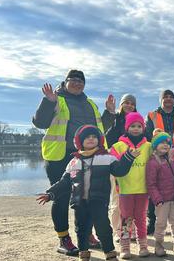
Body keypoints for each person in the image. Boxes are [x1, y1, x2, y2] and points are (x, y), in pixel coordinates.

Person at [32, 69, 115, 256]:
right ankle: (64, 238)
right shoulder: (57, 99)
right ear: (65, 81)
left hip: (87, 156)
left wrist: (109, 113)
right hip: (60, 156)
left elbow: (99, 129)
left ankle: (87, 236)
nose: (77, 83)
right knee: (61, 196)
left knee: (89, 196)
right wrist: (48, 101)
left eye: (81, 80)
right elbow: (40, 122)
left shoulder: (90, 104)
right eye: (73, 80)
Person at [36, 125, 138, 261]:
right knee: (81, 230)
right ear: (80, 142)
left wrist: (128, 157)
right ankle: (83, 253)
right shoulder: (74, 162)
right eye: (87, 137)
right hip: (79, 203)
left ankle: (110, 253)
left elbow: (120, 171)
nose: (91, 139)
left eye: (94, 137)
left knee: (103, 229)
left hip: (99, 201)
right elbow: (65, 182)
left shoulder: (106, 158)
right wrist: (50, 194)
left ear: (99, 140)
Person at [145, 90, 174, 233]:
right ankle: (152, 221)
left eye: (171, 97)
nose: (168, 99)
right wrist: (160, 149)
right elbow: (148, 135)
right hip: (157, 158)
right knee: (155, 188)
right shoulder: (152, 115)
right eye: (165, 97)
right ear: (160, 100)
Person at [110, 112, 152, 259]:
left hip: (143, 189)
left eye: (139, 126)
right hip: (125, 189)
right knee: (125, 218)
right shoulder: (118, 146)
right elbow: (113, 166)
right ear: (127, 128)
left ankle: (143, 246)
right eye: (132, 126)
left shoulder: (149, 146)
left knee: (141, 218)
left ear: (143, 128)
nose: (136, 129)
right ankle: (125, 247)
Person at [147, 132, 174, 256]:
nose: (165, 145)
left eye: (167, 143)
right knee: (160, 224)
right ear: (155, 145)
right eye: (162, 142)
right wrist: (157, 199)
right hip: (162, 201)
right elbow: (151, 184)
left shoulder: (172, 160)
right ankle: (158, 245)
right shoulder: (153, 162)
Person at [104, 93, 138, 242]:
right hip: (116, 165)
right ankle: (118, 231)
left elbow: (144, 139)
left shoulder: (138, 121)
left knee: (132, 199)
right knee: (117, 200)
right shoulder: (115, 119)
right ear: (121, 105)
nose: (129, 105)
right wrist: (112, 114)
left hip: (134, 166)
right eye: (126, 103)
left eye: (132, 103)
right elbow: (107, 138)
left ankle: (130, 230)